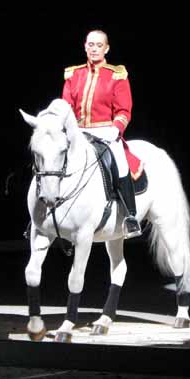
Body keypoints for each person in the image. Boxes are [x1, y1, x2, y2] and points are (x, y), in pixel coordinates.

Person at [61, 29, 142, 238]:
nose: (94, 48)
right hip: (79, 132)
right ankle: (44, 215)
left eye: (99, 45)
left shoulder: (116, 74)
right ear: (85, 46)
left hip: (107, 130)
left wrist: (115, 129)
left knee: (120, 163)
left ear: (106, 48)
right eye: (90, 44)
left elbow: (124, 110)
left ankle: (130, 216)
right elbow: (66, 106)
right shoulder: (74, 74)